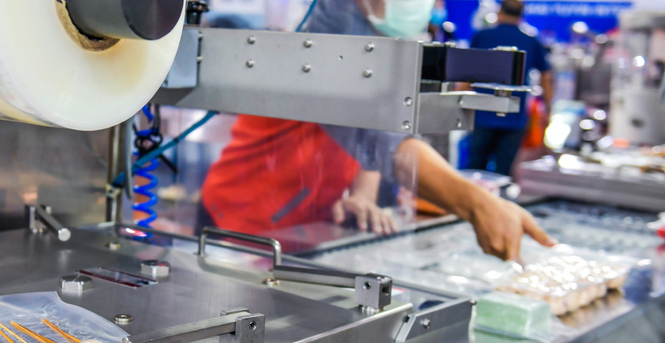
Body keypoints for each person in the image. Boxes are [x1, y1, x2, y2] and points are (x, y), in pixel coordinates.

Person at [200, 0, 555, 261]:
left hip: (300, 229)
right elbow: (379, 139)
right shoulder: (316, 56)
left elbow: (369, 129)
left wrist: (363, 193)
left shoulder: (374, 55)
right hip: (238, 225)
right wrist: (477, 203)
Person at [467, 0, 553, 176]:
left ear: (499, 13)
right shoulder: (530, 41)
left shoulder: (482, 37)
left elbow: (466, 74)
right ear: (521, 16)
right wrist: (548, 109)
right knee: (503, 171)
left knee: (475, 169)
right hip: (514, 117)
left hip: (481, 114)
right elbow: (546, 77)